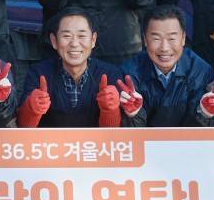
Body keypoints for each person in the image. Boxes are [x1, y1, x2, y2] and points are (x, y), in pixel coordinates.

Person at [16, 9, 146, 128]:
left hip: (95, 145)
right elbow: (22, 129)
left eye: (82, 36)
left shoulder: (111, 74)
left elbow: (114, 137)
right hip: (50, 146)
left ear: (93, 40)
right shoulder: (38, 73)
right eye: (66, 36)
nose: (74, 44)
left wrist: (110, 111)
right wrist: (31, 109)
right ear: (54, 41)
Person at [127, 5, 214, 126]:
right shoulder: (130, 72)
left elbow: (200, 129)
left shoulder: (201, 71)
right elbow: (129, 132)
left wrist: (204, 113)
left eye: (172, 38)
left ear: (183, 39)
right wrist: (134, 113)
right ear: (145, 40)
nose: (164, 48)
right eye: (156, 39)